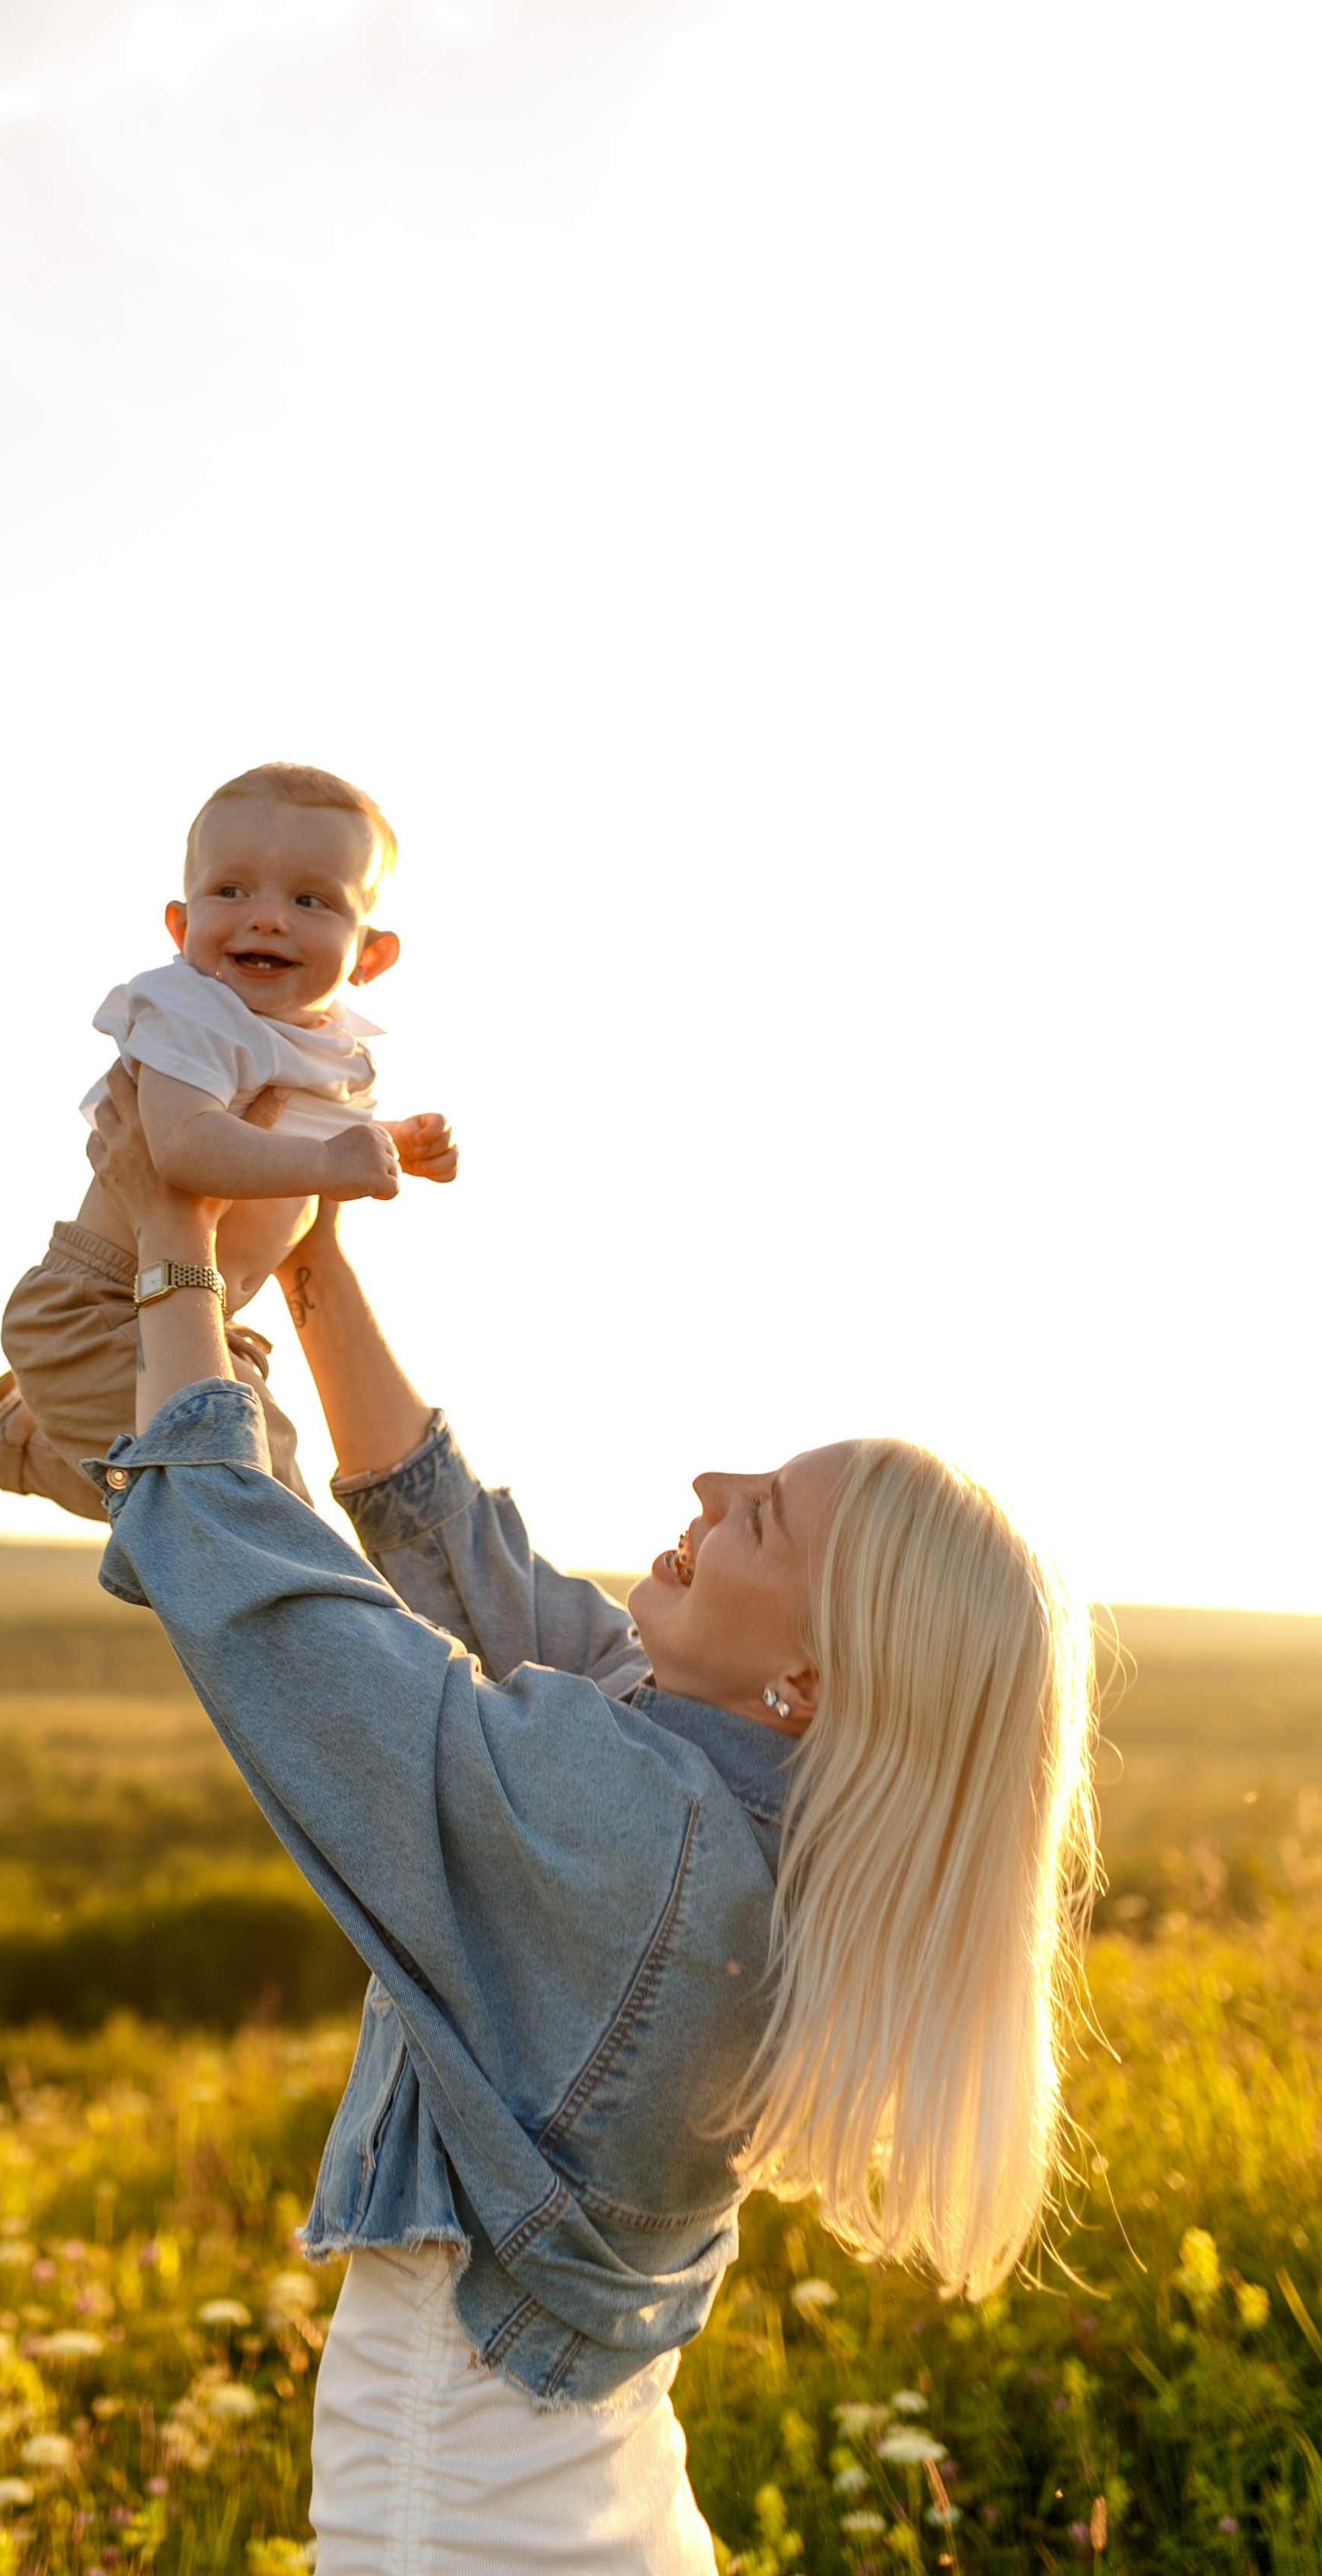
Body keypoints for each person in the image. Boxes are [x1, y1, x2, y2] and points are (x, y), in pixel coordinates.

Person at [78, 1065, 1097, 2574]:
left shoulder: (636, 1839)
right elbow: (462, 1562)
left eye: (756, 1512)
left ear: (811, 1678)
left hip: (458, 2506)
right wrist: (305, 1262)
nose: (704, 1479)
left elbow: (288, 1636)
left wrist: (172, 1251)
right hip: (603, 2482)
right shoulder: (764, 1818)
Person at [0, 762, 458, 1522]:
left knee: (263, 1495)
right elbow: (186, 1150)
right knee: (249, 1511)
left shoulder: (326, 1047)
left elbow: (290, 1141)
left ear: (370, 954)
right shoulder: (192, 1014)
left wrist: (390, 1143)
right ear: (179, 923)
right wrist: (334, 1163)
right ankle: (21, 1444)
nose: (265, 917)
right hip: (102, 1307)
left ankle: (29, 1438)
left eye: (310, 899)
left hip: (195, 1313)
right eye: (231, 891)